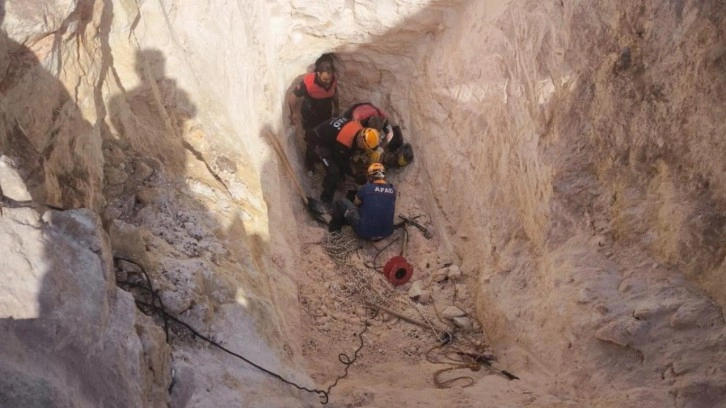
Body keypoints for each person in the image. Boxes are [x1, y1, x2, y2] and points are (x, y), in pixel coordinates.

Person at [307, 116, 381, 204]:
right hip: (317, 141)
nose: (365, 150)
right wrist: (355, 174)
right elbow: (342, 161)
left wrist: (379, 150)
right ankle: (325, 200)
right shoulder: (344, 140)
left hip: (329, 135)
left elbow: (371, 146)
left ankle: (338, 181)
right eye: (365, 147)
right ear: (361, 140)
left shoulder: (361, 130)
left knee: (345, 161)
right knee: (334, 172)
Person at [328, 163, 396, 241]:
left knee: (341, 202)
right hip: (385, 233)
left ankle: (334, 233)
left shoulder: (366, 189)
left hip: (365, 232)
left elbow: (356, 204)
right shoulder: (393, 191)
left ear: (371, 176)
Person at [288, 53, 339, 134]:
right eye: (325, 79)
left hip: (326, 112)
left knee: (324, 132)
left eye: (330, 79)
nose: (328, 82)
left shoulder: (333, 79)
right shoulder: (309, 82)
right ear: (318, 74)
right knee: (311, 135)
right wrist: (293, 113)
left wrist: (336, 108)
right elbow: (293, 96)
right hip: (310, 114)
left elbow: (334, 93)